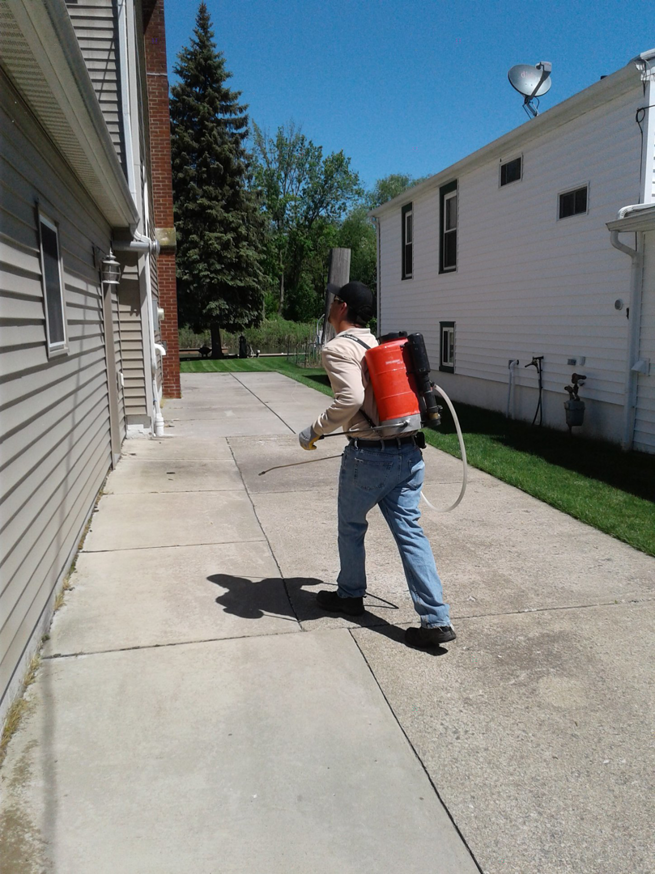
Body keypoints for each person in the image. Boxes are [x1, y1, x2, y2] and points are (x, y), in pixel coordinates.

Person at [298, 281, 455, 648]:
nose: (330, 306)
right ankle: (435, 619)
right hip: (409, 453)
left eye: (333, 301)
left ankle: (350, 595)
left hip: (368, 458)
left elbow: (350, 398)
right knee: (410, 533)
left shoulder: (338, 348)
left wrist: (314, 430)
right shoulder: (379, 345)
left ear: (342, 307)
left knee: (351, 527)